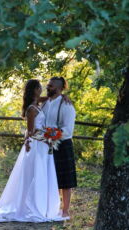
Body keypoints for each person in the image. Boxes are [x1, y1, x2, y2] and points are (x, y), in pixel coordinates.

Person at [0, 79, 65, 223]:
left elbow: (52, 97)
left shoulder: (37, 103)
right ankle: (30, 206)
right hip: (36, 145)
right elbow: (31, 131)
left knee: (41, 173)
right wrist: (46, 137)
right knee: (33, 174)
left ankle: (40, 205)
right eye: (39, 87)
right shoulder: (31, 109)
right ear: (34, 90)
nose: (42, 88)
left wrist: (63, 96)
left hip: (42, 145)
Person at [41, 77, 77, 218]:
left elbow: (68, 130)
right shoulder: (45, 103)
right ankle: (51, 208)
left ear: (60, 88)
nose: (47, 88)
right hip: (45, 144)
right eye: (48, 85)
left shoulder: (66, 106)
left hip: (63, 144)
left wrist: (49, 134)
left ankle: (65, 211)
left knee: (65, 180)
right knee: (50, 178)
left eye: (51, 86)